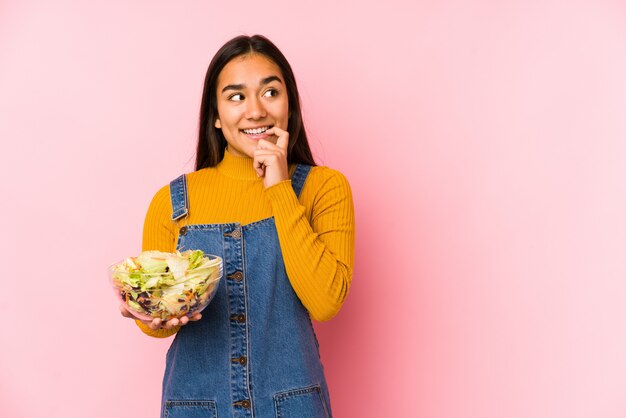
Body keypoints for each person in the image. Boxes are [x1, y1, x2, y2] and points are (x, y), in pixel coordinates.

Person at [119, 34, 355, 418]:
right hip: (195, 406)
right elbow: (158, 325)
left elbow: (325, 302)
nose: (256, 111)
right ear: (215, 114)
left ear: (289, 105)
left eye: (270, 92)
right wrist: (147, 311)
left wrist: (279, 188)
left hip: (292, 407)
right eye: (236, 96)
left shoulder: (323, 188)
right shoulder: (174, 203)